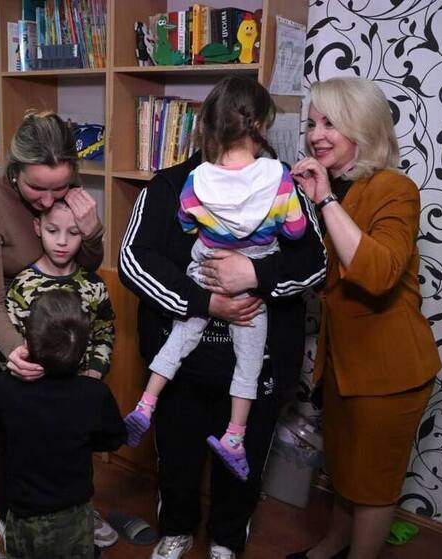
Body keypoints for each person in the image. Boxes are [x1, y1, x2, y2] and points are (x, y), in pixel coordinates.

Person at [119, 75, 326, 559]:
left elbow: (314, 263)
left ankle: (228, 540)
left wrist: (252, 273)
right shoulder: (171, 184)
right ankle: (177, 528)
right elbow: (134, 260)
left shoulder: (279, 182)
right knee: (178, 457)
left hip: (259, 365)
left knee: (243, 460)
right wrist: (205, 300)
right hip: (185, 365)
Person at [0, 110, 116, 543]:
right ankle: (13, 517)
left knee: (53, 426)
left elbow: (85, 266)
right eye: (38, 188)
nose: (48, 199)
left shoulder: (64, 190)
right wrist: (16, 350)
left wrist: (93, 231)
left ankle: (67, 511)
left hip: (39, 315)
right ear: (14, 169)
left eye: (60, 187)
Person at [287, 77, 441, 559]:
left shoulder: (395, 188)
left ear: (364, 127)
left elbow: (377, 274)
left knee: (373, 485)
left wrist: (325, 201)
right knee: (344, 471)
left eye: (331, 123)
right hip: (344, 366)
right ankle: (333, 544)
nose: (316, 134)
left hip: (390, 373)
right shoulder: (334, 188)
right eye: (312, 123)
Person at [0, 290, 127, 558]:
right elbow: (114, 438)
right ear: (84, 349)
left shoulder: (3, 387)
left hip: (22, 510)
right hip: (74, 511)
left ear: (27, 340)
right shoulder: (94, 395)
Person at [6, 199, 115, 380]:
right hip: (35, 386)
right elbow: (11, 346)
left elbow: (104, 331)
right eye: (52, 230)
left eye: (73, 232)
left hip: (81, 384)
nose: (62, 241)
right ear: (38, 227)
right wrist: (21, 372)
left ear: (84, 233)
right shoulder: (22, 286)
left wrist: (97, 367)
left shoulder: (95, 285)